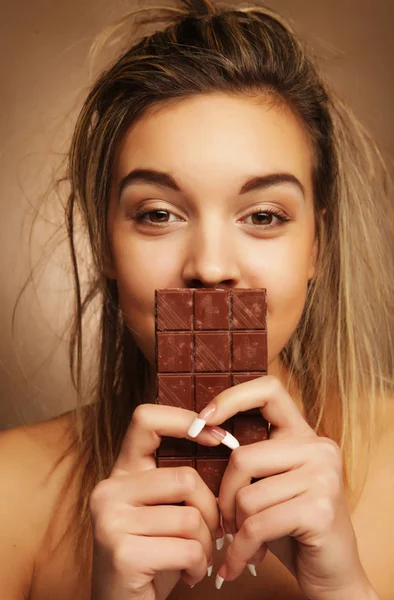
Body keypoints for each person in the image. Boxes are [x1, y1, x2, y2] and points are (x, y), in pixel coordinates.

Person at [1, 0, 393, 598]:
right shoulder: (11, 493)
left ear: (320, 245)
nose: (210, 268)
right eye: (158, 214)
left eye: (263, 215)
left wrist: (344, 588)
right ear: (106, 242)